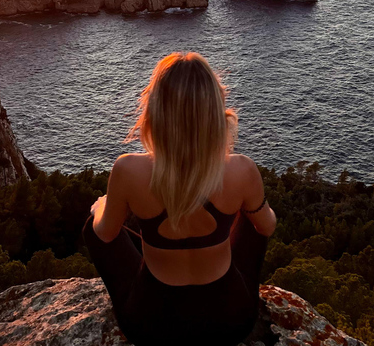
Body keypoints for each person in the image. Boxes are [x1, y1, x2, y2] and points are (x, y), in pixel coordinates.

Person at [82, 52, 277, 346]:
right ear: (215, 111)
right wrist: (252, 206)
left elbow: (105, 234)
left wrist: (100, 208)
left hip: (152, 328)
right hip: (231, 323)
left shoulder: (128, 169)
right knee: (255, 221)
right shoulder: (242, 169)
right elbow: (268, 226)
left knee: (92, 228)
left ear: (156, 109)